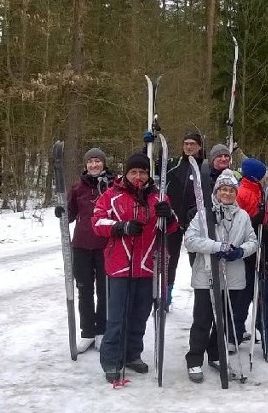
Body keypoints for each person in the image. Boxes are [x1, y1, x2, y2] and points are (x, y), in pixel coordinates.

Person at [91, 152, 178, 383]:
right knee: (117, 316)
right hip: (120, 265)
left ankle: (132, 354)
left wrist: (167, 216)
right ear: (126, 174)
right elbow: (97, 221)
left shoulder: (159, 197)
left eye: (142, 172)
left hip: (147, 265)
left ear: (148, 174)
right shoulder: (111, 195)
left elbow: (172, 226)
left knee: (140, 315)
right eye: (134, 172)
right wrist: (121, 226)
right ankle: (111, 358)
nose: (138, 176)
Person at [183, 169, 257, 383]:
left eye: (231, 190)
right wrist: (217, 247)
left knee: (223, 320)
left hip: (232, 278)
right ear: (216, 192)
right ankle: (194, 358)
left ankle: (215, 354)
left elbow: (252, 241)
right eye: (223, 189)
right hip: (206, 276)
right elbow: (190, 240)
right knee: (203, 320)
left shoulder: (242, 216)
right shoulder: (204, 213)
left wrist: (240, 251)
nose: (227, 193)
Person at [55, 147, 115, 353]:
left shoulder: (113, 185)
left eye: (98, 161)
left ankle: (102, 331)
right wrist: (61, 210)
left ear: (104, 163)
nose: (94, 165)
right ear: (85, 165)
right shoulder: (78, 187)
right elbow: (69, 216)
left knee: (105, 291)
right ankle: (87, 332)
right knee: (84, 290)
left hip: (106, 245)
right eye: (90, 161)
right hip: (81, 246)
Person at [164, 130, 205, 310]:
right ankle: (165, 295)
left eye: (193, 144)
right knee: (169, 259)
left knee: (196, 261)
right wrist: (147, 146)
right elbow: (151, 166)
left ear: (199, 147)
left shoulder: (205, 167)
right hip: (173, 220)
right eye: (186, 144)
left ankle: (201, 297)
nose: (189, 147)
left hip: (195, 222)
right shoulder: (174, 164)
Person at [233, 157, 268, 351]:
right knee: (243, 292)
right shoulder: (244, 191)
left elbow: (265, 214)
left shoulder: (257, 189)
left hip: (258, 244)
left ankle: (246, 329)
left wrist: (265, 220)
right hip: (245, 247)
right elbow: (238, 218)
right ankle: (235, 331)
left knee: (254, 290)